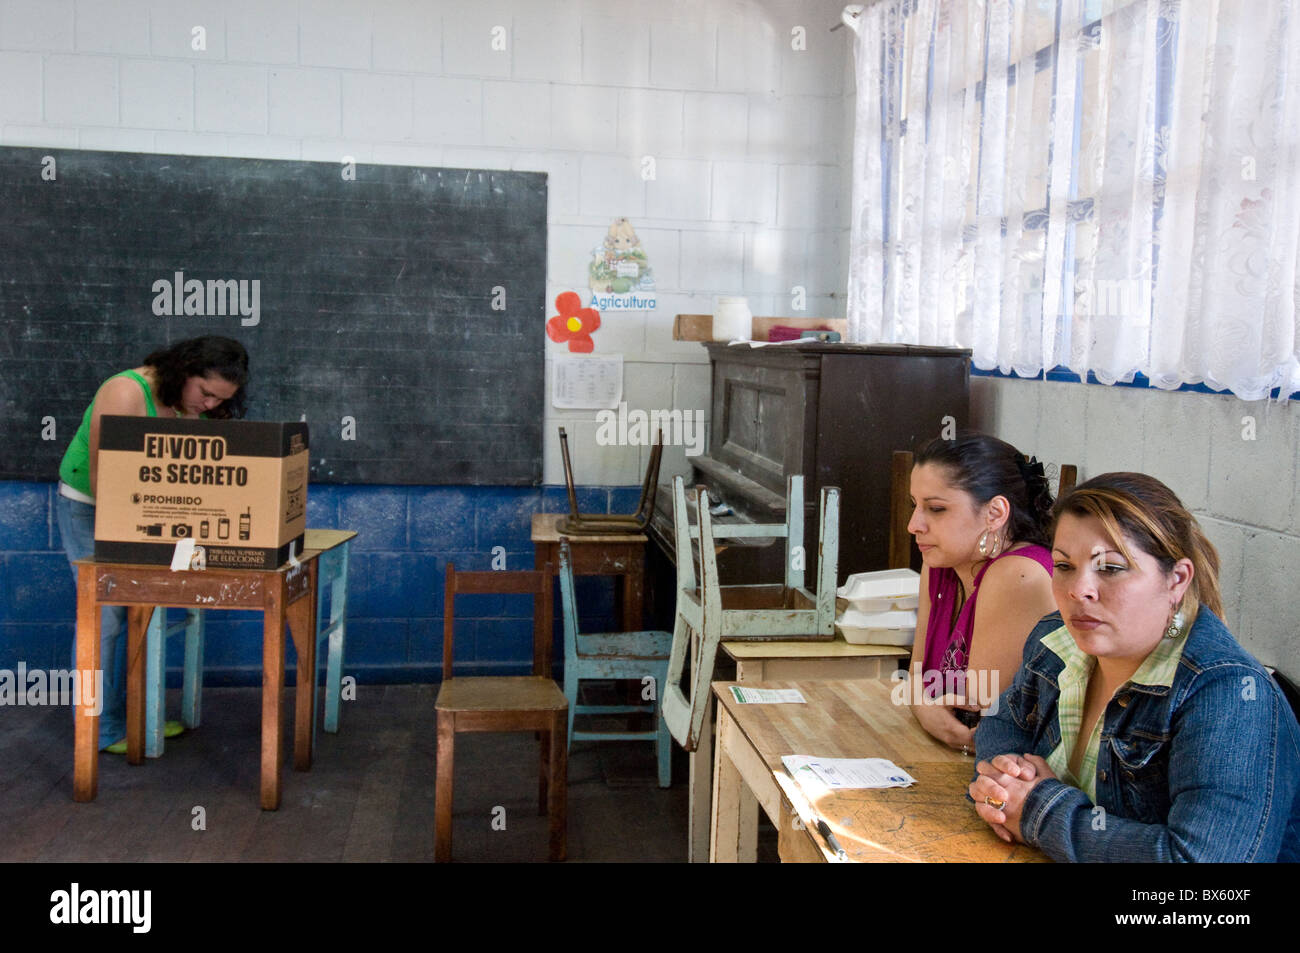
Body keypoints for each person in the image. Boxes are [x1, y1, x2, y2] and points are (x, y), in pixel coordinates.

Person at [970, 472, 1300, 861]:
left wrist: (1038, 812)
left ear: (1176, 580)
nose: (1079, 590)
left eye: (1110, 568)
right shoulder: (1056, 639)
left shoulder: (1228, 695)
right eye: (1064, 566)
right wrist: (1005, 780)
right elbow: (1003, 719)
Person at [56, 336, 250, 752]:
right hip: (92, 507)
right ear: (185, 371)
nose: (211, 405)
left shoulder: (193, 404)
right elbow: (103, 476)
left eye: (222, 400)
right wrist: (135, 538)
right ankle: (96, 729)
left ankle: (137, 718)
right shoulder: (126, 391)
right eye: (206, 393)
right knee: (104, 617)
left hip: (146, 515)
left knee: (144, 612)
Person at [903, 432, 1057, 753]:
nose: (914, 524)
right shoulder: (941, 564)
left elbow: (976, 729)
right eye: (915, 505)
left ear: (995, 513)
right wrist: (923, 708)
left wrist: (923, 706)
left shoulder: (1017, 575)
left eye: (936, 508)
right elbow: (916, 679)